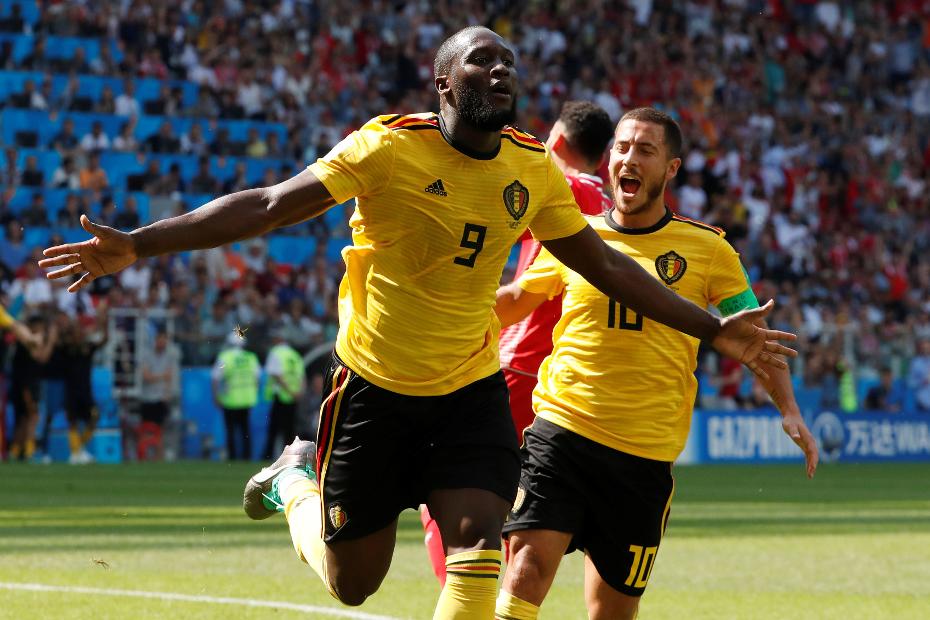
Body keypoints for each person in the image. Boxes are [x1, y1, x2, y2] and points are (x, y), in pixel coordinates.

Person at [41, 27, 795, 617]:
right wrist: (139, 244)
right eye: (480, 62)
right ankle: (294, 481)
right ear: (443, 83)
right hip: (374, 387)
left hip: (468, 391)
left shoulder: (531, 168)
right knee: (353, 583)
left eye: (508, 64)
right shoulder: (389, 146)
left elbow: (606, 265)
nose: (500, 72)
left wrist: (711, 329)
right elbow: (269, 206)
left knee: (479, 558)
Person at [492, 108, 819, 620]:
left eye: (645, 150)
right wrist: (444, 306)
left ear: (671, 168)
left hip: (643, 458)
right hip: (562, 433)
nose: (629, 158)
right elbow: (515, 299)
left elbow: (753, 335)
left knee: (611, 612)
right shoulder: (576, 236)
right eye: (622, 147)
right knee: (525, 570)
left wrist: (789, 408)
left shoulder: (708, 249)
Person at [421, 100, 615, 586]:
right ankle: (494, 600)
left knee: (444, 486)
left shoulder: (560, 185)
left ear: (559, 142)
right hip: (562, 374)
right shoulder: (610, 206)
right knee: (514, 499)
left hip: (517, 360)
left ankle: (465, 603)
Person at [3, 308, 57, 461]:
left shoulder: (26, 338)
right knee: (32, 417)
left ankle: (15, 451)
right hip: (25, 384)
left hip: (25, 383)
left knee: (24, 418)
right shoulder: (27, 340)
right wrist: (51, 341)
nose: (40, 328)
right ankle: (29, 451)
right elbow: (41, 357)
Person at [62, 316, 107, 464]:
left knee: (94, 417)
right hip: (71, 391)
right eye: (75, 331)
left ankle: (79, 448)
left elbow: (103, 341)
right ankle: (76, 453)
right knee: (73, 421)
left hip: (86, 391)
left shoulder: (88, 347)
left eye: (79, 331)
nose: (78, 334)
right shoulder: (66, 348)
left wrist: (103, 323)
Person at [211, 332, 261, 460]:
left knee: (230, 431)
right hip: (247, 399)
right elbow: (257, 378)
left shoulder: (225, 357)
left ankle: (232, 458)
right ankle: (247, 457)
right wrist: (254, 393)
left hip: (230, 399)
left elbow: (215, 378)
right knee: (245, 430)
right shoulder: (251, 357)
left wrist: (216, 396)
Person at [262, 328, 306, 459]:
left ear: (278, 339)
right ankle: (290, 458)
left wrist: (289, 391)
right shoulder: (295, 355)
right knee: (290, 430)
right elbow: (302, 376)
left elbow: (276, 375)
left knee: (274, 430)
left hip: (280, 395)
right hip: (294, 397)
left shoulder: (275, 352)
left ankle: (268, 456)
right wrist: (298, 393)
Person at [138, 330, 179, 460]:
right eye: (160, 340)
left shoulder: (169, 357)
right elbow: (146, 376)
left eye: (164, 340)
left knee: (160, 431)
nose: (162, 343)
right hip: (147, 398)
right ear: (155, 341)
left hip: (160, 399)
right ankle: (143, 457)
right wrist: (162, 376)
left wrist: (167, 393)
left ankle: (158, 458)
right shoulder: (147, 355)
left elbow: (169, 378)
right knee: (146, 429)